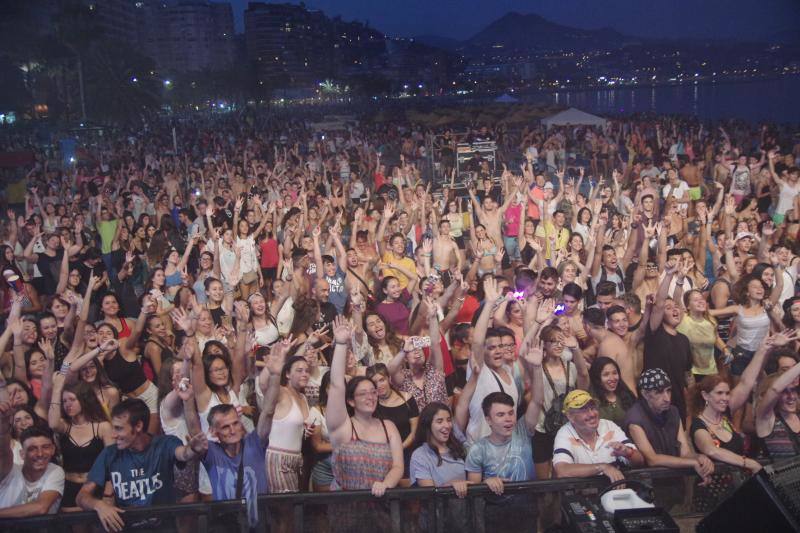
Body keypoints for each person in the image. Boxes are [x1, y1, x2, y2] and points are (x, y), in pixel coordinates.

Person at [186, 336, 287, 528]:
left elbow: (268, 410)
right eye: (225, 427)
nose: (232, 430)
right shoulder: (212, 453)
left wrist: (275, 375)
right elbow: (193, 427)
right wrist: (186, 401)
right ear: (214, 432)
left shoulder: (254, 444)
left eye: (235, 423)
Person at [76, 399, 207, 532]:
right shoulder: (109, 454)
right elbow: (81, 497)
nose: (113, 435)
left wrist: (193, 449)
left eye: (119, 428)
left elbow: (182, 453)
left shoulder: (165, 444)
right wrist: (99, 505)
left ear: (138, 426)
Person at [460, 333, 544, 533]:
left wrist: (538, 368)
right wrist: (484, 482)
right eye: (500, 415)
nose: (508, 419)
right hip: (495, 516)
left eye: (510, 413)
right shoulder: (478, 450)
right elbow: (473, 490)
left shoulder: (522, 430)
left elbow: (537, 401)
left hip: (526, 510)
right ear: (488, 420)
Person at [624, 369, 714, 484]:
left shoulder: (673, 412)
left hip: (674, 480)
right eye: (659, 392)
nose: (667, 398)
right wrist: (693, 462)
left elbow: (685, 453)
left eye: (668, 391)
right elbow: (652, 459)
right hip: (647, 484)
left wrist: (700, 458)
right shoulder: (635, 418)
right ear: (645, 394)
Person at [552, 389, 644, 481]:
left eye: (592, 408)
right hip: (583, 493)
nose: (592, 414)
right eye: (584, 410)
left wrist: (628, 453)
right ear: (570, 416)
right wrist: (602, 467)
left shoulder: (609, 426)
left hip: (616, 490)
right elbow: (562, 470)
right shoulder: (565, 433)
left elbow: (639, 461)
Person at [0, 389, 65, 517]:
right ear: (22, 454)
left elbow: (40, 508)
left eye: (45, 447)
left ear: (53, 450)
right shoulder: (10, 471)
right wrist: (3, 423)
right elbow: (3, 451)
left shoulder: (55, 471)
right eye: (32, 449)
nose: (40, 454)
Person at [588, 357, 637, 427]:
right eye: (606, 375)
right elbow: (582, 374)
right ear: (597, 378)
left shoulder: (626, 394)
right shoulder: (592, 398)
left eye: (614, 373)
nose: (612, 378)